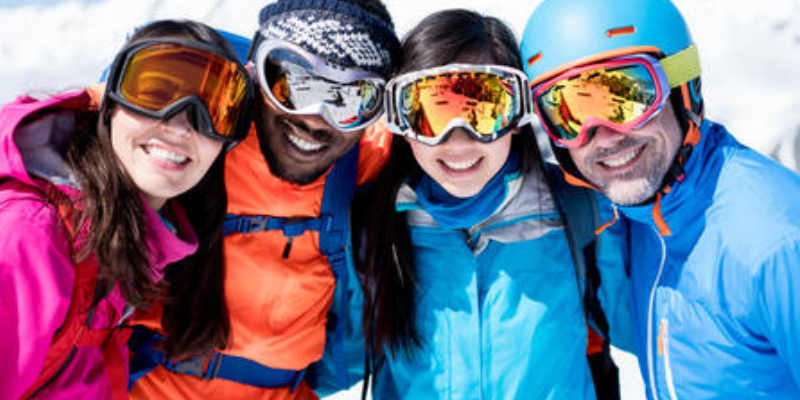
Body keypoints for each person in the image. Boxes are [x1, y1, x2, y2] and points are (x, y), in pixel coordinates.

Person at [521, 0, 800, 398]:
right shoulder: (635, 223)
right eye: (569, 112)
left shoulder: (776, 241)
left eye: (627, 96)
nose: (604, 135)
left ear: (682, 88)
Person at [127, 0, 401, 399]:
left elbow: (462, 152)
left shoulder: (365, 165)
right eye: (293, 82)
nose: (315, 117)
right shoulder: (193, 131)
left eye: (350, 99)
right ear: (256, 71)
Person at [352, 9, 630, 400]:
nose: (458, 140)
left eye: (483, 110)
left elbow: (649, 328)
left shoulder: (581, 210)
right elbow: (326, 359)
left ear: (517, 115)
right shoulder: (374, 228)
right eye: (431, 113)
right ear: (400, 122)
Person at [0, 19, 254, 400]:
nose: (180, 126)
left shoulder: (137, 247)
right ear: (110, 102)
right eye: (154, 94)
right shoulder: (32, 235)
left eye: (212, 110)